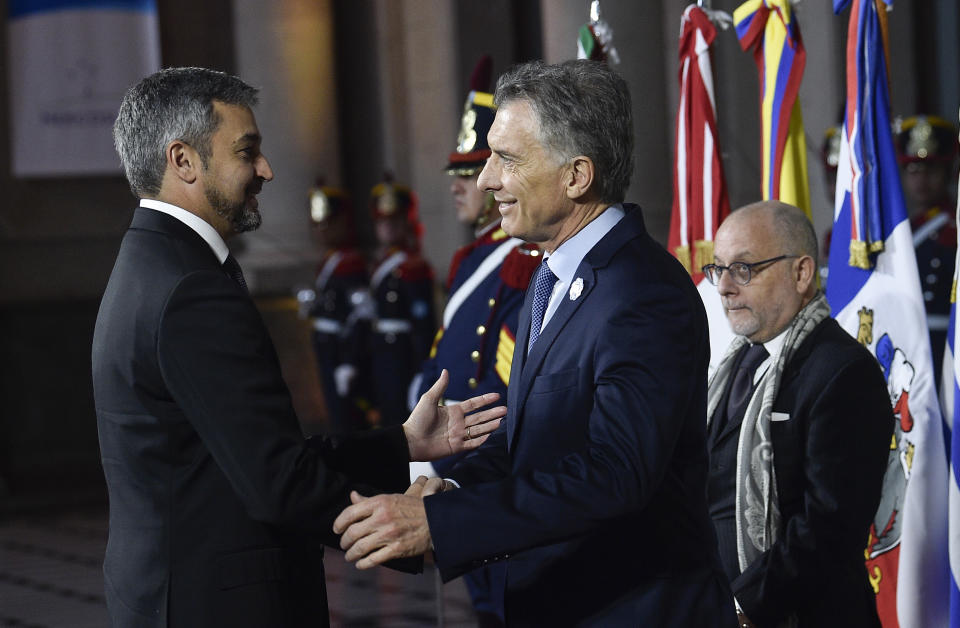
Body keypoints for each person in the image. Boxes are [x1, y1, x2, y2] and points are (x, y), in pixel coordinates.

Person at [92, 67, 505, 628]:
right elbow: (278, 484)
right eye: (247, 151)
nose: (266, 169)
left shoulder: (151, 261)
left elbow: (250, 455)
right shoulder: (191, 289)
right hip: (215, 605)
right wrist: (420, 530)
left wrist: (403, 443)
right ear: (182, 160)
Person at [333, 59, 738, 627]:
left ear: (576, 176)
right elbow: (531, 444)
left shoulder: (642, 293)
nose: (485, 180)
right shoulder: (552, 275)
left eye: (508, 159)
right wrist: (447, 489)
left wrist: (444, 523)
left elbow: (616, 471)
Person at [701, 200, 893, 627]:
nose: (725, 287)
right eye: (718, 269)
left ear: (802, 273)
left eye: (744, 269)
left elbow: (829, 525)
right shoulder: (736, 364)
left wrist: (742, 605)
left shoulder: (844, 372)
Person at [409, 56, 540, 627]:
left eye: (472, 172)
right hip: (452, 445)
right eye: (457, 175)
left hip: (485, 445)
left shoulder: (522, 260)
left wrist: (470, 447)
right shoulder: (471, 259)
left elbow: (507, 371)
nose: (463, 187)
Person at [301, 183, 373, 434]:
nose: (321, 231)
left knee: (348, 417)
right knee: (334, 411)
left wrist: (350, 361)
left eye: (328, 224)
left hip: (340, 349)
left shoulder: (350, 263)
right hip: (326, 346)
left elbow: (362, 315)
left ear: (343, 223)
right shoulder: (329, 261)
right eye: (317, 224)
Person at [367, 179, 437, 427]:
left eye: (393, 222)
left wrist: (422, 370)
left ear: (405, 224)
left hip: (403, 354)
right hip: (380, 352)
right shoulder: (378, 263)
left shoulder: (413, 266)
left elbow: (423, 324)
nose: (386, 229)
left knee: (400, 419)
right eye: (381, 222)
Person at [894, 115, 959, 379]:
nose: (921, 180)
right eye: (913, 171)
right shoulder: (905, 229)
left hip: (949, 343)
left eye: (931, 170)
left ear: (948, 172)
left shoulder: (952, 223)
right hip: (913, 345)